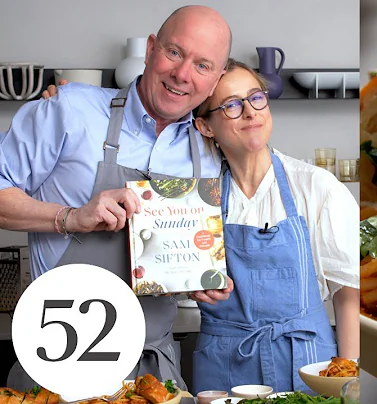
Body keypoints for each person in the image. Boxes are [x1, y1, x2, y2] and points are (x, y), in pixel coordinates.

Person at [0, 5, 234, 391]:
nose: (182, 74)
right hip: (58, 365)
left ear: (215, 80)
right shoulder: (70, 109)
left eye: (203, 65)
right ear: (151, 49)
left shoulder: (207, 152)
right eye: (175, 52)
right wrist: (70, 217)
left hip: (152, 372)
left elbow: (179, 257)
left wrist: (199, 276)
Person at [188, 59, 360, 394]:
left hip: (306, 364)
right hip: (223, 367)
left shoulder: (316, 187)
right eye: (232, 106)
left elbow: (349, 292)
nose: (250, 112)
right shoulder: (196, 197)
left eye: (256, 98)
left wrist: (349, 380)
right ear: (205, 127)